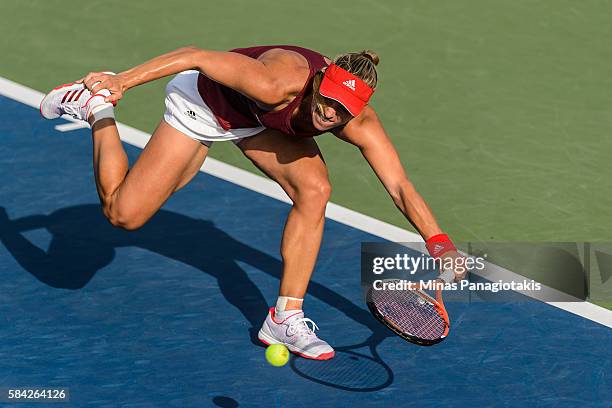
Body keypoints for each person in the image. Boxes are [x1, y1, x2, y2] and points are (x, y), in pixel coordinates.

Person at [40, 45, 463, 360]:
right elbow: (195, 55)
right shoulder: (275, 81)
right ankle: (95, 110)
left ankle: (284, 318)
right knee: (123, 214)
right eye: (328, 101)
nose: (330, 115)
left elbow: (399, 184)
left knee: (315, 190)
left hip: (257, 123)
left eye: (342, 112)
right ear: (318, 82)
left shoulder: (355, 120)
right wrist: (121, 82)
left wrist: (438, 243)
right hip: (205, 104)